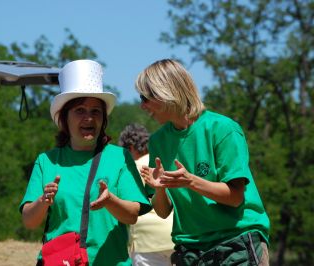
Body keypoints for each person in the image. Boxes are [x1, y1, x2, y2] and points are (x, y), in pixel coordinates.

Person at [135, 59, 270, 265]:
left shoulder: (223, 129)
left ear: (166, 91)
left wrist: (191, 181)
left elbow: (235, 197)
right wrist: (160, 189)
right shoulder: (158, 141)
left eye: (146, 97)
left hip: (236, 242)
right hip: (190, 250)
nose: (142, 105)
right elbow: (162, 212)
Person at [20, 59, 151, 265]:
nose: (89, 118)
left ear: (103, 119)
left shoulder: (120, 157)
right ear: (65, 118)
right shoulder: (47, 161)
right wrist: (43, 201)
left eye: (95, 111)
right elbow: (29, 221)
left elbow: (132, 215)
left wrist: (110, 201)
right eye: (80, 110)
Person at [118, 123, 173, 266]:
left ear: (129, 148)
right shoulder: (161, 164)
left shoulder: (130, 169)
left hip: (147, 242)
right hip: (174, 236)